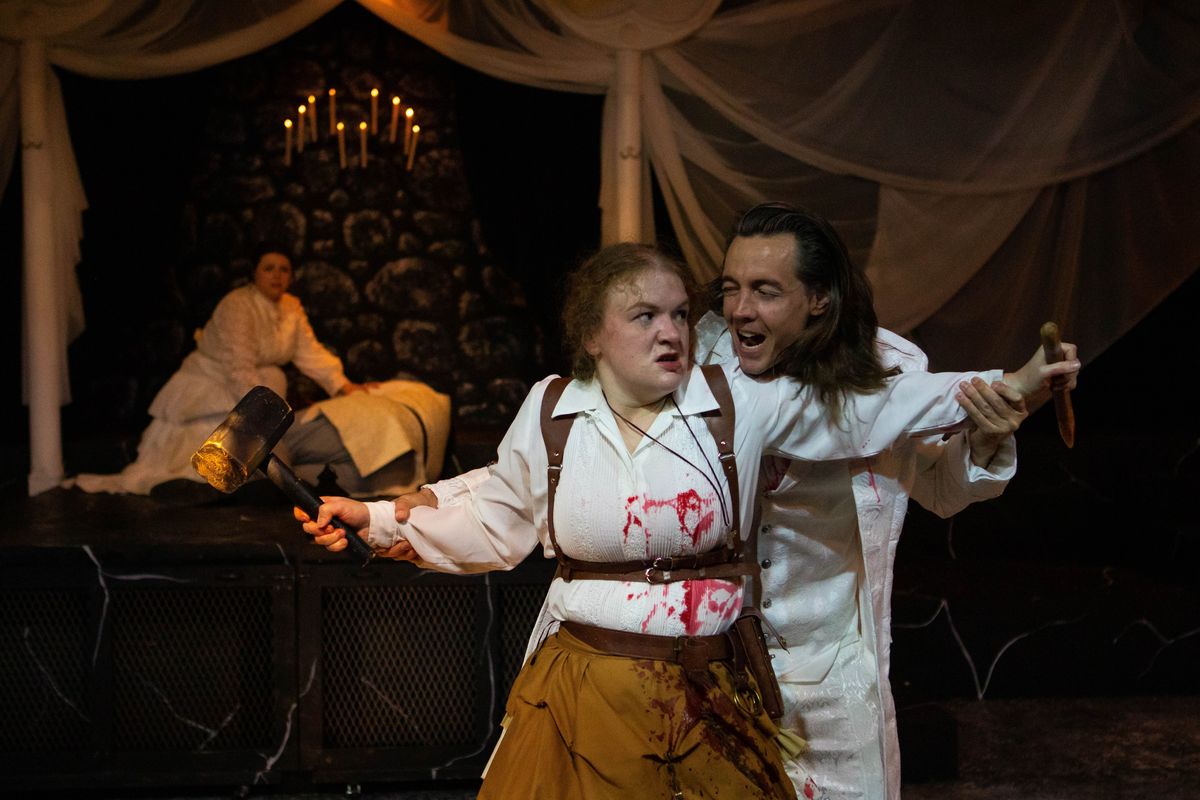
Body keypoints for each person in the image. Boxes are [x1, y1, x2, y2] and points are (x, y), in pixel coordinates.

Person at [297, 243, 1073, 798]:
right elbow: (495, 513)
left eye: (677, 314)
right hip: (586, 692)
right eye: (643, 316)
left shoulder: (738, 403)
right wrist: (372, 519)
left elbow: (877, 407)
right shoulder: (552, 413)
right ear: (593, 335)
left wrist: (1009, 385)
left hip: (708, 695)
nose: (671, 331)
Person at [72, 245, 370, 496]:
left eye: (283, 269)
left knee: (261, 441)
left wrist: (342, 385)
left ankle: (248, 481)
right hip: (215, 384)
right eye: (269, 268)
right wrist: (260, 414)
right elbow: (238, 366)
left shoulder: (291, 307)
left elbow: (310, 352)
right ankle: (195, 485)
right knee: (212, 454)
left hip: (256, 383)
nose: (277, 275)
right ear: (255, 273)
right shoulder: (237, 304)